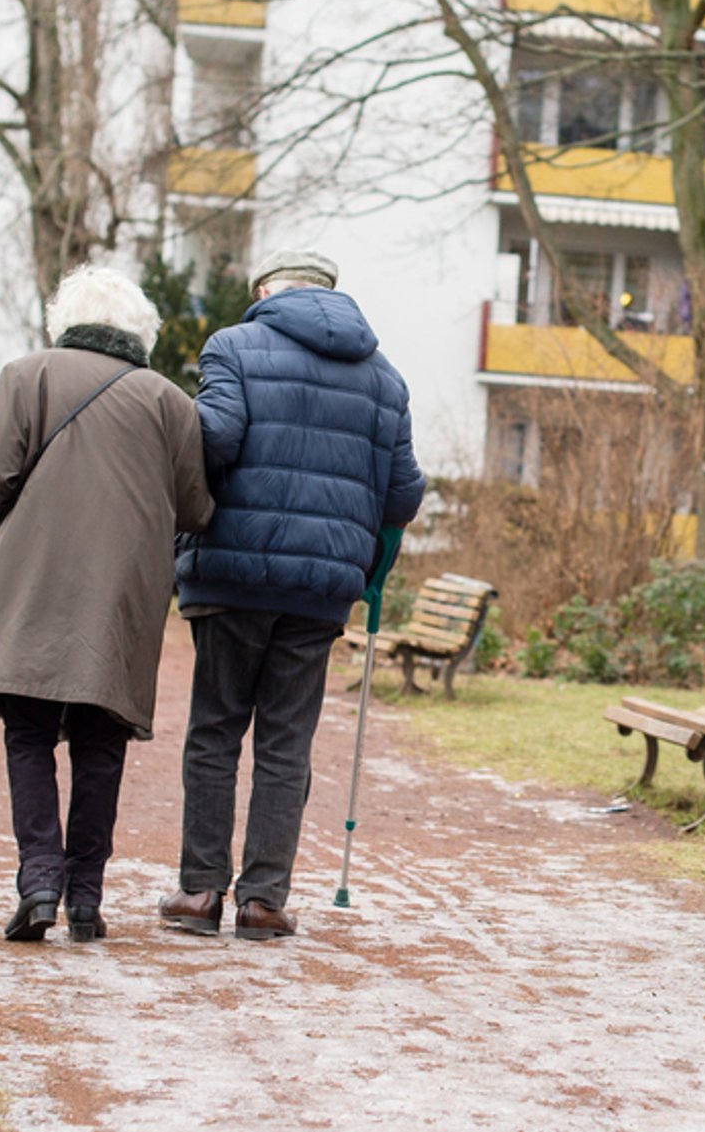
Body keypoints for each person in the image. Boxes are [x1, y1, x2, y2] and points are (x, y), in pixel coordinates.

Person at [159, 249, 425, 941]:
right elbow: (403, 494)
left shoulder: (232, 346)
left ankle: (200, 891)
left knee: (216, 729)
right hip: (320, 589)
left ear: (265, 290)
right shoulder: (385, 379)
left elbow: (213, 437)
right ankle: (263, 900)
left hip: (231, 574)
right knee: (287, 740)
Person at [0, 265, 213, 943]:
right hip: (124, 588)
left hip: (35, 572)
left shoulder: (26, 374)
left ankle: (39, 876)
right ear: (140, 331)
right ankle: (87, 896)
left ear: (64, 319)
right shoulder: (169, 402)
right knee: (102, 738)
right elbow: (196, 506)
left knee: (30, 727)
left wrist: (6, 518)